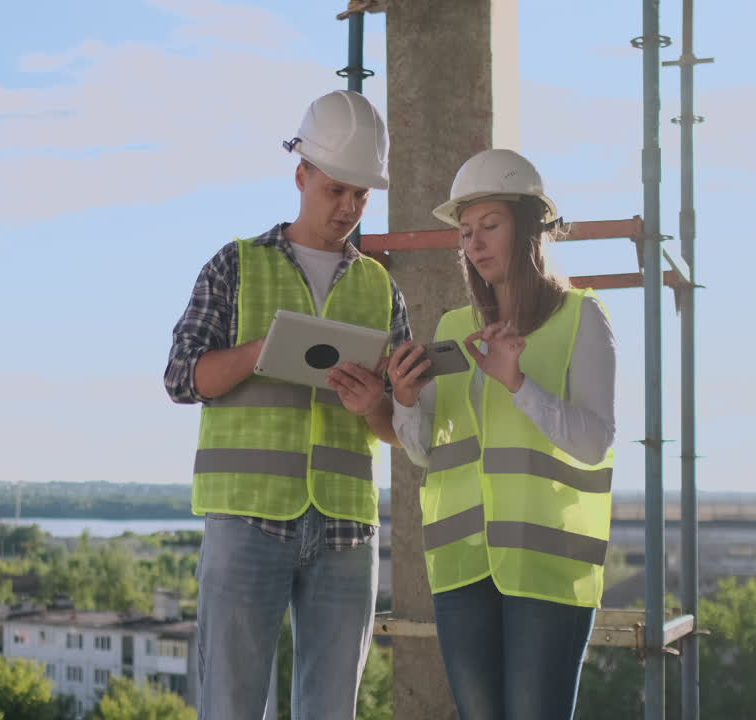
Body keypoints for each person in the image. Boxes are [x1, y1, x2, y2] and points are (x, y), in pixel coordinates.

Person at [163, 89, 411, 719]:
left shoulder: (381, 287)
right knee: (231, 704)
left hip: (346, 528)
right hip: (247, 518)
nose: (348, 207)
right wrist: (260, 351)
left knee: (332, 709)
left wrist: (376, 407)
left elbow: (400, 427)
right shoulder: (236, 266)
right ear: (301, 175)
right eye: (336, 190)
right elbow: (182, 377)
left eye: (361, 194)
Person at [388, 148, 617, 720]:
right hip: (462, 568)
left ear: (529, 225)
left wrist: (518, 382)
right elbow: (424, 451)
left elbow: (594, 442)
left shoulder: (581, 318)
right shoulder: (453, 327)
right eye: (466, 233)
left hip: (547, 569)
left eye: (489, 225)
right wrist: (406, 400)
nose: (475, 243)